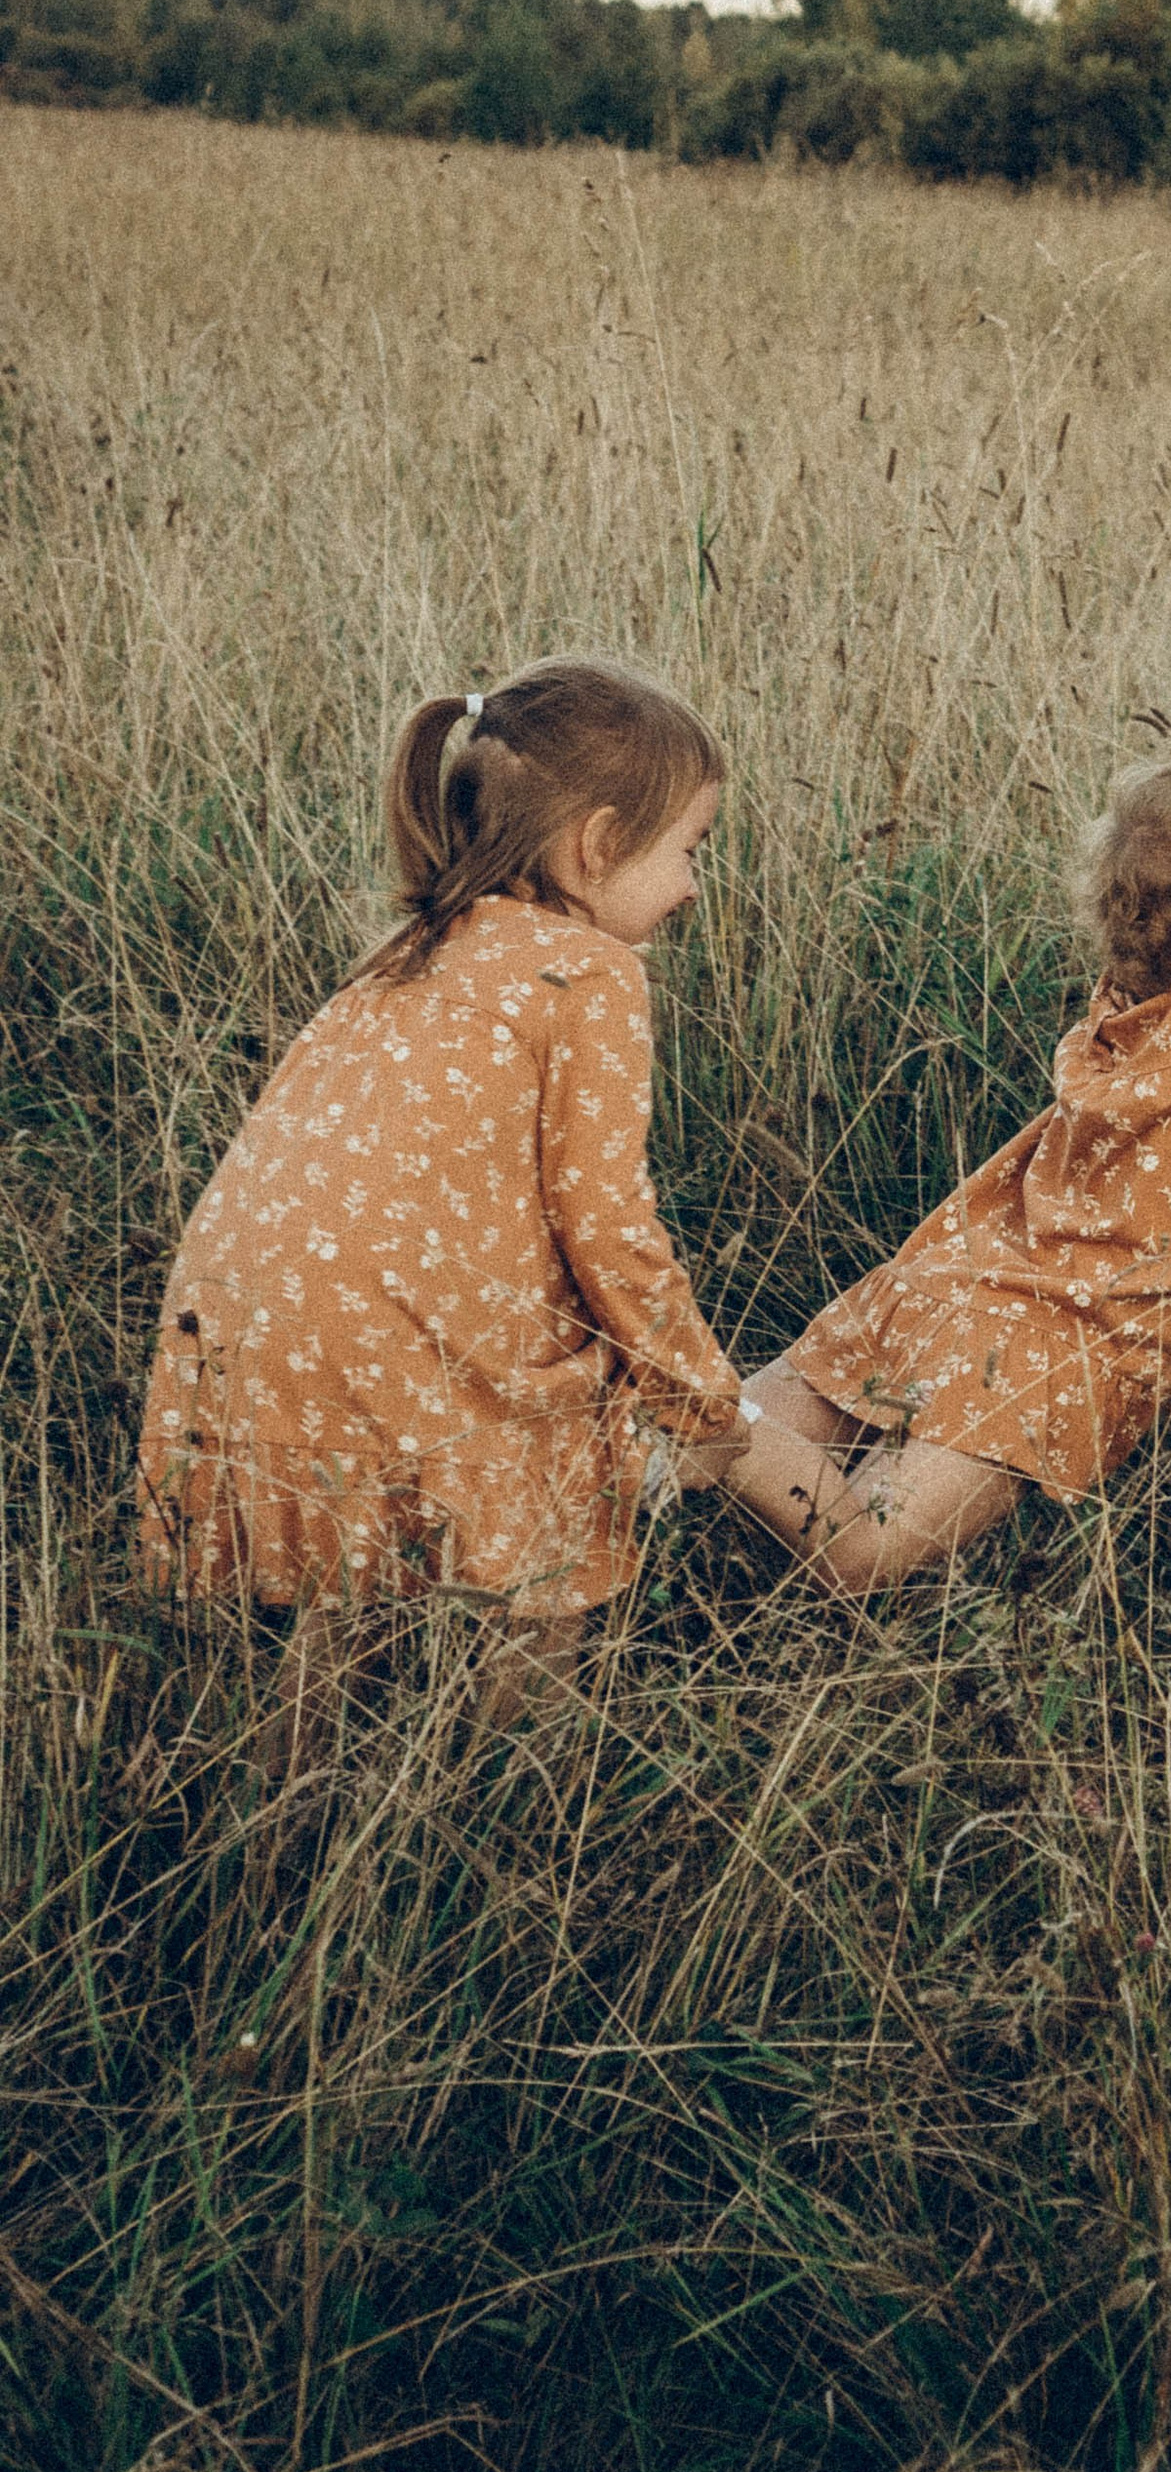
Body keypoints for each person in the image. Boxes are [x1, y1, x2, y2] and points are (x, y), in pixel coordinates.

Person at [721, 634, 1171, 1590]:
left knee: (773, 1433)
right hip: (1054, 1344)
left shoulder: (1136, 991)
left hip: (958, 1271)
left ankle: (668, 1427)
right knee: (864, 1548)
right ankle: (680, 1411)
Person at [136, 659, 747, 1737]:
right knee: (560, 1521)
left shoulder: (410, 947)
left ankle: (281, 1813)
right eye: (688, 851)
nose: (695, 886)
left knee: (349, 1575)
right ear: (596, 846)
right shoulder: (588, 974)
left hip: (244, 1317)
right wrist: (697, 1400)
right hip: (392, 1329)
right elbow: (608, 1226)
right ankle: (518, 1793)